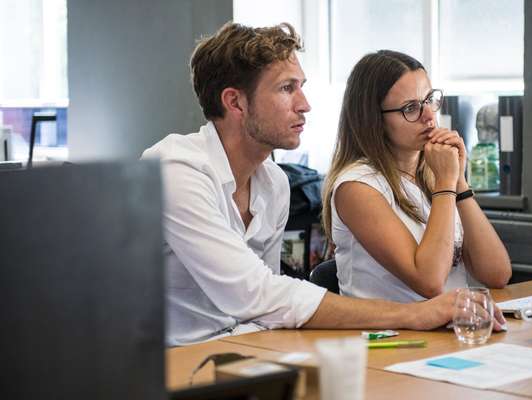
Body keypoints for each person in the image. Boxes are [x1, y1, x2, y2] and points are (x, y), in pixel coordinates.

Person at [142, 23, 506, 346]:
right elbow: (256, 295)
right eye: (287, 89)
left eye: (302, 87)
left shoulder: (274, 183)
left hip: (240, 348)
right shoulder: (177, 170)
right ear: (235, 102)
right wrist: (413, 315)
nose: (305, 105)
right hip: (167, 363)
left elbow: (268, 307)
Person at [322, 50, 512, 304]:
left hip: (448, 331)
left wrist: (459, 184)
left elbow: (497, 274)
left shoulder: (434, 173)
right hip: (388, 340)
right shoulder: (357, 187)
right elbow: (430, 281)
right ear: (373, 120)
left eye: (429, 100)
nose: (429, 116)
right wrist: (446, 185)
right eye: (411, 108)